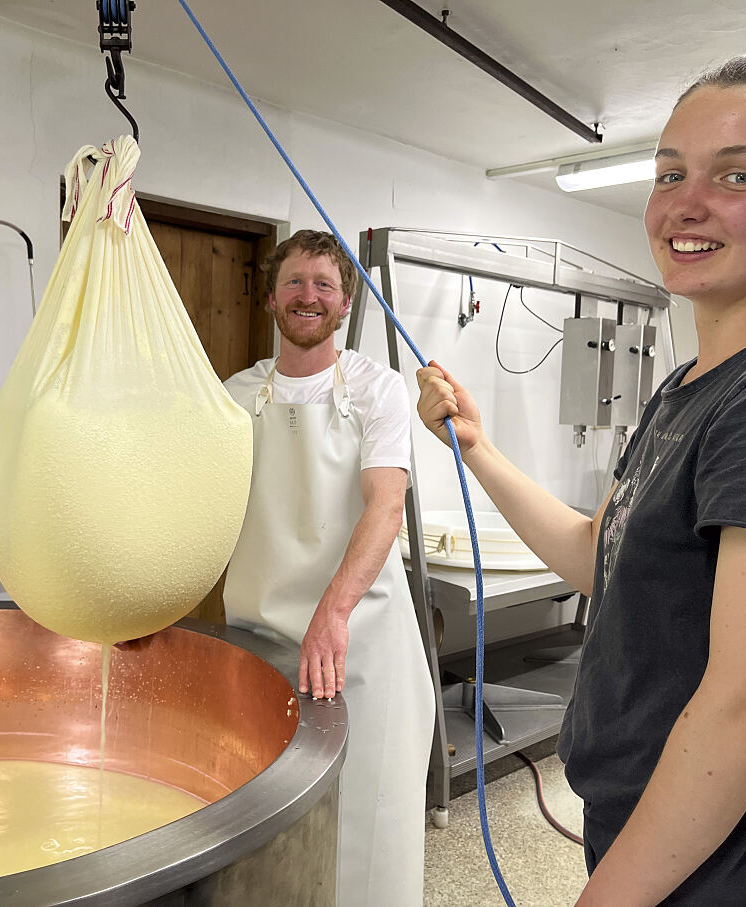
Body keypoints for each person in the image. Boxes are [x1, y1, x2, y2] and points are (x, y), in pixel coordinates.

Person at [417, 54, 746, 905]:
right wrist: (476, 447)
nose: (685, 204)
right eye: (670, 173)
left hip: (730, 872)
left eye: (737, 174)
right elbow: (600, 555)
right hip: (659, 834)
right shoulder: (693, 385)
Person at [222, 229, 434, 906]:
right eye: (294, 282)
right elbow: (195, 509)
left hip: (358, 643)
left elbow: (386, 504)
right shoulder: (234, 397)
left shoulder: (379, 390)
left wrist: (333, 611)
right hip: (262, 642)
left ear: (344, 304)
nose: (307, 295)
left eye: (323, 284)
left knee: (369, 820)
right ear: (272, 296)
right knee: (268, 828)